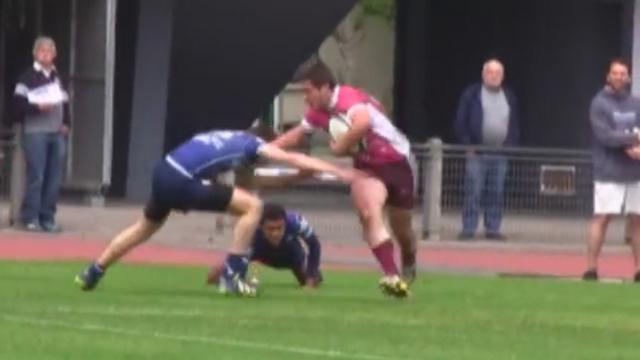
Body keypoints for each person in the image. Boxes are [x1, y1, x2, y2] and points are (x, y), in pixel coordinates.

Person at [75, 129, 354, 296]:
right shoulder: (254, 145)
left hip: (164, 170)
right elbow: (293, 158)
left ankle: (93, 271)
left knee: (144, 228)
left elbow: (240, 182)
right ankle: (232, 277)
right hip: (182, 179)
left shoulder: (229, 137)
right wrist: (337, 171)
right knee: (254, 207)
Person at [272, 60, 416, 298]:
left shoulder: (348, 98)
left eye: (307, 91)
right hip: (367, 169)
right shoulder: (317, 113)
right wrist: (262, 149)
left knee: (403, 231)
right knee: (369, 214)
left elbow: (362, 123)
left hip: (397, 163)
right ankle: (392, 276)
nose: (305, 98)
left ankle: (409, 257)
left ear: (325, 87)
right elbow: (295, 136)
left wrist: (339, 147)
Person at [584, 58, 640, 282]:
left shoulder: (636, 103)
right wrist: (633, 139)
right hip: (608, 171)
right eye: (615, 73)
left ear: (628, 77)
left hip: (635, 172)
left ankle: (638, 270)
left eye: (623, 73)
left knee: (637, 220)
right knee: (602, 218)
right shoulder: (599, 104)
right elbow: (605, 136)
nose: (619, 77)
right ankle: (591, 268)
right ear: (608, 76)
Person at [454, 58, 520, 241]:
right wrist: (469, 145)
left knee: (496, 192)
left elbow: (514, 124)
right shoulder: (472, 94)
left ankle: (493, 228)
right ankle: (469, 228)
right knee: (473, 190)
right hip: (477, 154)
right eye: (490, 72)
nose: (494, 76)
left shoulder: (509, 96)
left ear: (503, 76)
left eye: (497, 73)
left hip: (500, 154)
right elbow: (461, 121)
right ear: (484, 75)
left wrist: (509, 146)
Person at [13, 36, 70, 232]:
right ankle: (30, 217)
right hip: (36, 132)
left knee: (54, 177)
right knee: (36, 175)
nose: (46, 54)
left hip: (57, 132)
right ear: (35, 54)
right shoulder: (27, 76)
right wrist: (37, 107)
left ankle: (48, 217)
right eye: (42, 51)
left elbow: (65, 102)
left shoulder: (57, 77)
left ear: (55, 55)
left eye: (49, 51)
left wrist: (66, 123)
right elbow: (18, 105)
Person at [208, 203, 322, 288]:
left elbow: (314, 244)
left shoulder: (296, 223)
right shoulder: (250, 227)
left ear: (285, 223)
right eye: (270, 229)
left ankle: (312, 273)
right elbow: (238, 251)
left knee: (311, 280)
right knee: (219, 275)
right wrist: (227, 268)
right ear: (260, 226)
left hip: (291, 255)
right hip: (260, 253)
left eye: (279, 228)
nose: (275, 233)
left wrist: (311, 275)